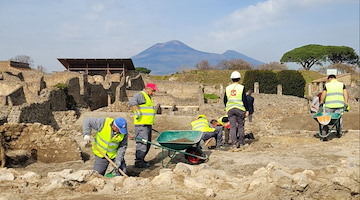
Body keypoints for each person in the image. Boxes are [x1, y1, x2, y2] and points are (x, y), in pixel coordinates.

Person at [129, 82, 158, 168]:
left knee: (147, 143)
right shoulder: (141, 95)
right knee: (142, 143)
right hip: (141, 125)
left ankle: (142, 160)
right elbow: (132, 101)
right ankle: (139, 162)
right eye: (153, 91)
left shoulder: (148, 97)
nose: (154, 93)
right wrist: (137, 111)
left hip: (147, 124)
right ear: (147, 88)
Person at [224, 71, 249, 148]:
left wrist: (227, 107)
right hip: (240, 109)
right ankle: (242, 142)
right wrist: (247, 110)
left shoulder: (228, 88)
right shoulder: (241, 87)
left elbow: (225, 99)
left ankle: (234, 142)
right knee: (241, 126)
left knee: (232, 126)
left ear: (231, 79)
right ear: (239, 79)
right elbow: (244, 99)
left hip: (230, 109)